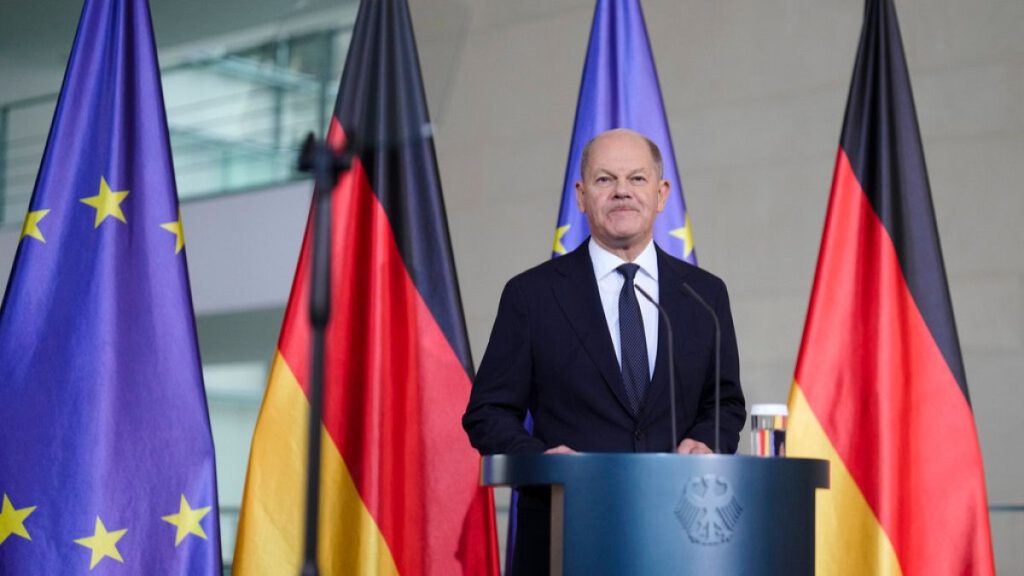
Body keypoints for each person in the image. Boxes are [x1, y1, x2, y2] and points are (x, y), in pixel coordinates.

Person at [463, 128, 746, 574]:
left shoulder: (704, 295)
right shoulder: (531, 295)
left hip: (677, 535)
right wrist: (540, 461)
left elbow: (723, 402)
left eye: (636, 179)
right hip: (565, 533)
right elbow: (488, 412)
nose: (621, 193)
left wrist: (707, 441)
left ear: (660, 193)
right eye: (604, 180)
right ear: (580, 195)